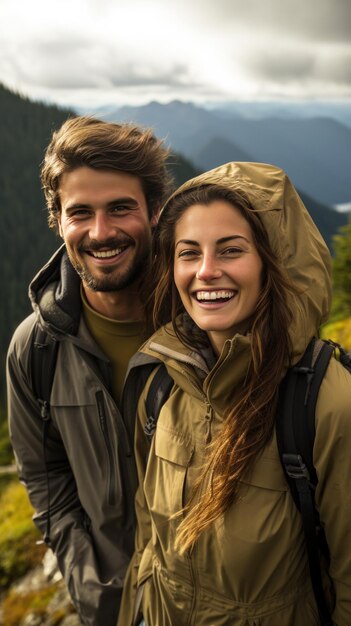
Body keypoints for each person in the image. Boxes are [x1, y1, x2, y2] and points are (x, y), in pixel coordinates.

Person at [118, 162, 351, 626]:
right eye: (189, 253)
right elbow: (150, 540)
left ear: (273, 261)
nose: (206, 271)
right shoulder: (161, 380)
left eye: (230, 250)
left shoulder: (327, 404)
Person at [6, 115, 172, 626]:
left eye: (120, 208)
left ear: (156, 212)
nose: (102, 233)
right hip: (116, 606)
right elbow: (47, 482)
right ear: (58, 220)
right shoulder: (35, 347)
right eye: (81, 213)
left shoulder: (205, 321)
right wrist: (95, 591)